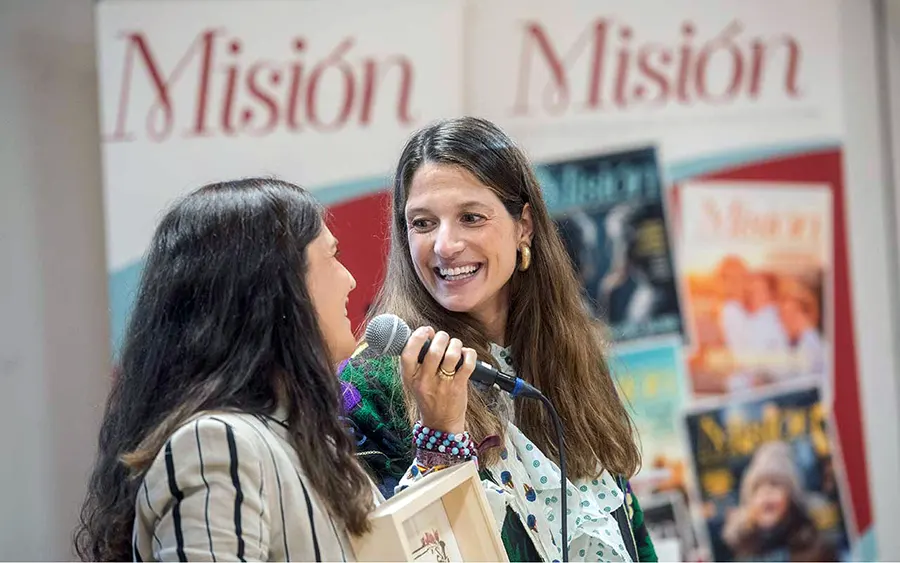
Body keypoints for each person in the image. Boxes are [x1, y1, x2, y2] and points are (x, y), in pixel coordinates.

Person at [74, 178, 479, 561]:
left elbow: (389, 551)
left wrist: (440, 433)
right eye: (332, 257)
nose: (350, 281)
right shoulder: (216, 443)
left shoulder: (307, 436)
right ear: (275, 288)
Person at [340, 117, 658, 562]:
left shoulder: (570, 349)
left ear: (523, 226)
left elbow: (633, 533)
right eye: (423, 223)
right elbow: (384, 553)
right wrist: (439, 438)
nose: (445, 245)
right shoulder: (368, 387)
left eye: (470, 218)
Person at [722, 441, 838, 561]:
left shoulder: (814, 547)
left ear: (792, 498)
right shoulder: (739, 548)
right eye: (757, 489)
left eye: (775, 485)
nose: (766, 493)